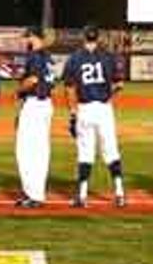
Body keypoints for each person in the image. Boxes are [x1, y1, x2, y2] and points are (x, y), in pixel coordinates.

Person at [63, 25, 126, 208]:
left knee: (85, 151)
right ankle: (120, 193)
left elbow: (69, 88)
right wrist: (107, 94)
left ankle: (82, 195)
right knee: (111, 150)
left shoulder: (75, 58)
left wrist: (73, 113)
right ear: (97, 38)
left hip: (85, 109)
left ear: (84, 37)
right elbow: (119, 84)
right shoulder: (108, 57)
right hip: (104, 109)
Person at [12, 27, 56, 208]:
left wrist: (18, 90)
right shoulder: (48, 57)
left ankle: (33, 194)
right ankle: (35, 193)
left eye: (27, 37)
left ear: (33, 37)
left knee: (25, 150)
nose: (25, 40)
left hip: (35, 105)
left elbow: (33, 80)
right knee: (40, 150)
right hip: (45, 105)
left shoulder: (34, 56)